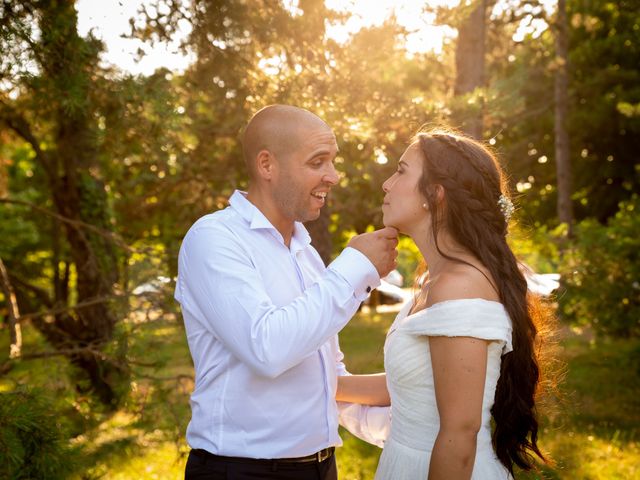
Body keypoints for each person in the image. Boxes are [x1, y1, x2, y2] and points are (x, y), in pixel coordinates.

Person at [175, 104, 397, 480]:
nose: (335, 176)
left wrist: (403, 430)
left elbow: (326, 375)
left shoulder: (305, 253)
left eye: (333, 162)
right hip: (242, 472)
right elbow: (267, 348)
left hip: (321, 467)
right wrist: (355, 266)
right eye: (318, 162)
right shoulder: (213, 238)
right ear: (267, 165)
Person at [337, 128, 550, 479]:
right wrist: (326, 386)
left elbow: (460, 434)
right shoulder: (435, 280)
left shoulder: (459, 285)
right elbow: (413, 384)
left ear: (435, 195)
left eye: (402, 170)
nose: (386, 184)